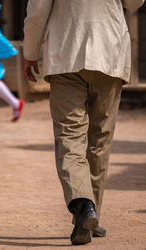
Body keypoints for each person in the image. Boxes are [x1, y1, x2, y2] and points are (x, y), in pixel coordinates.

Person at [23, 0, 144, 245]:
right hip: (109, 53)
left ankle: (84, 208)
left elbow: (37, 11)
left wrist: (31, 53)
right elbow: (134, 3)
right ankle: (90, 212)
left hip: (66, 54)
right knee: (100, 140)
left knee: (70, 137)